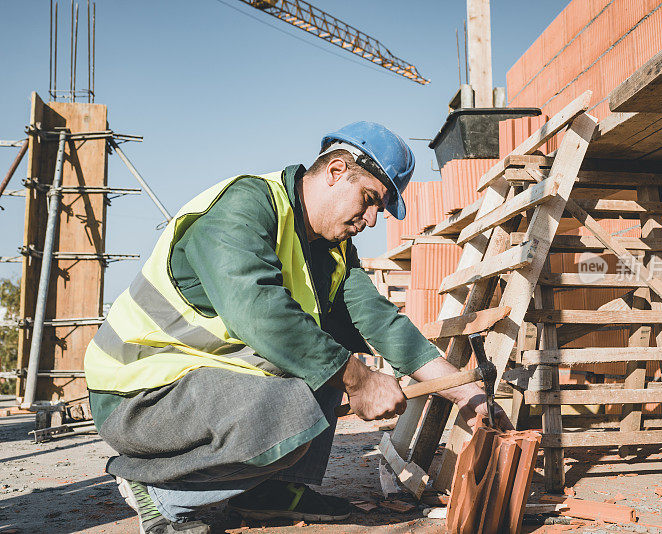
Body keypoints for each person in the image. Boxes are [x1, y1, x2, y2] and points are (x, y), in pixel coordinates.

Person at [84, 121, 513, 534]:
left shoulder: (332, 250)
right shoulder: (244, 207)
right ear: (336, 170)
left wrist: (466, 394)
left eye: (380, 208)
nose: (372, 219)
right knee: (304, 394)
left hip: (195, 389)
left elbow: (381, 323)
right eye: (368, 198)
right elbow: (259, 311)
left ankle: (269, 491)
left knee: (321, 364)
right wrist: (359, 378)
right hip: (138, 396)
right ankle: (159, 490)